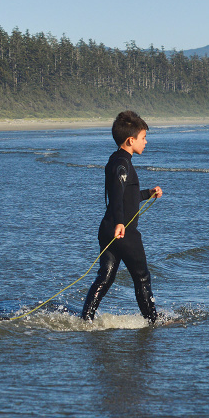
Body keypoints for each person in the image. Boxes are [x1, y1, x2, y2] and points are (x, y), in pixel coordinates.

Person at [81, 110, 163, 324]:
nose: (146, 142)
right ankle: (153, 322)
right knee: (143, 277)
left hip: (108, 229)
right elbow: (117, 194)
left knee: (105, 278)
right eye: (143, 138)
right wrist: (120, 222)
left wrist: (148, 193)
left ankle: (86, 320)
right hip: (123, 231)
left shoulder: (116, 159)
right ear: (130, 140)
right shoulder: (122, 164)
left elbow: (128, 194)